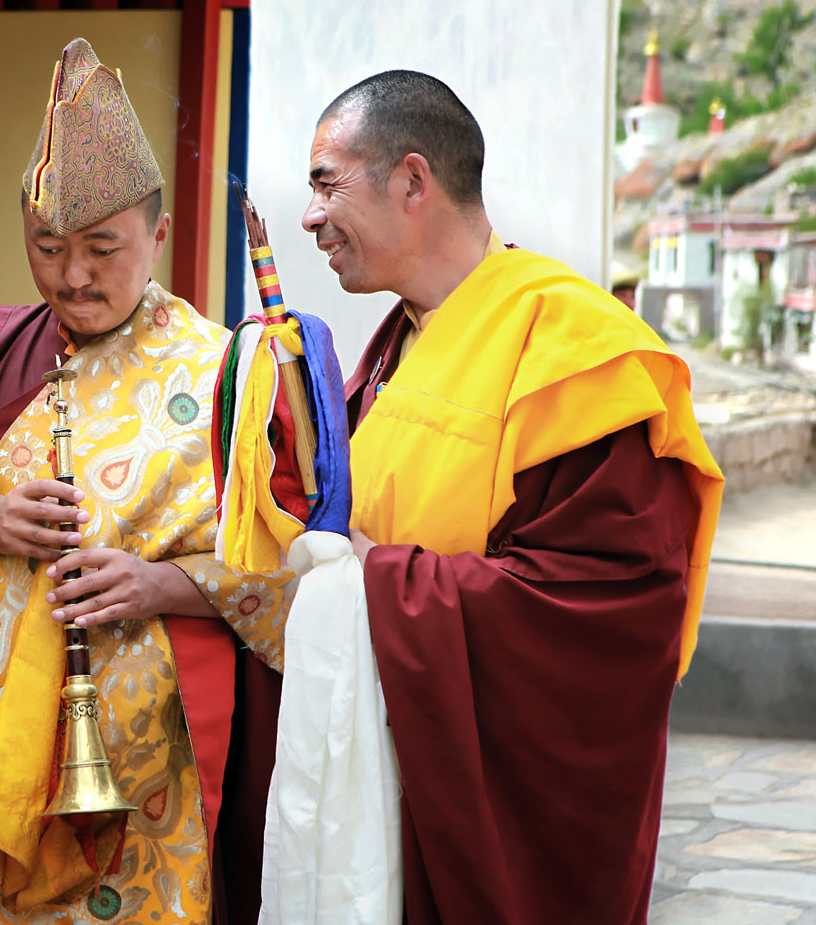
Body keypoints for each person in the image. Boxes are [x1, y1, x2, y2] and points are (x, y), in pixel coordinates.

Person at [0, 38, 293, 924]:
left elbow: (285, 569)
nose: (73, 276)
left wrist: (159, 582)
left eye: (103, 248)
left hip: (138, 771)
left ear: (160, 236)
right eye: (48, 247)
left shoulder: (228, 376)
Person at [304, 69, 723, 924]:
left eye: (326, 183)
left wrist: (372, 579)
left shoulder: (572, 345)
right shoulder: (397, 344)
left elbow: (609, 604)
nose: (310, 217)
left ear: (413, 181)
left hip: (494, 798)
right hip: (386, 771)